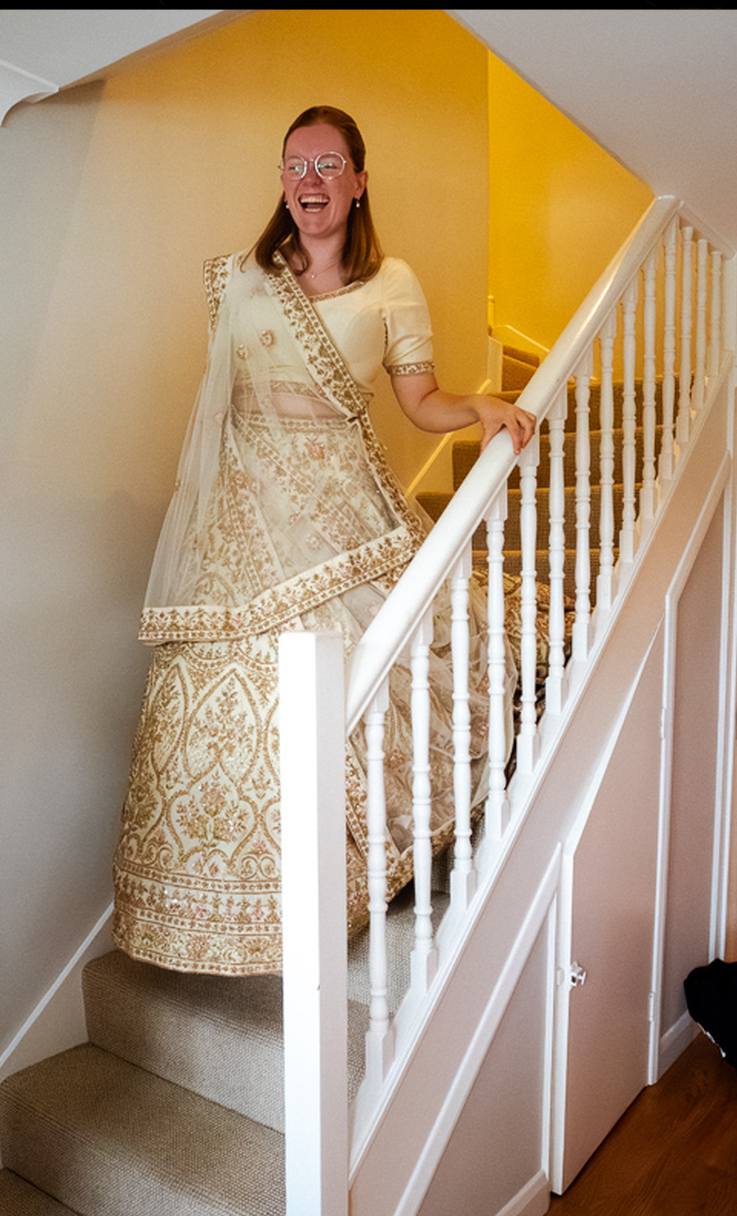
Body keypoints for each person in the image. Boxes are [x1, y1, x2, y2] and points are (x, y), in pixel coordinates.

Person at [112, 106, 536, 975]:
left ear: (359, 179)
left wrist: (478, 407)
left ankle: (374, 870)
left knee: (385, 671)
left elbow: (419, 402)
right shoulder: (239, 281)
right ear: (282, 180)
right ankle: (239, 905)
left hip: (349, 507)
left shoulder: (394, 284)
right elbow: (219, 416)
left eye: (330, 165)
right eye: (296, 166)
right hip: (249, 526)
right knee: (244, 704)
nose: (311, 182)